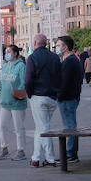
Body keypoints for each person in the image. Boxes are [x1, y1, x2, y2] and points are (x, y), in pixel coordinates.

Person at [23, 34, 62, 168]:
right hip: (52, 97)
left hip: (38, 96)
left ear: (35, 43)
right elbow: (59, 76)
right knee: (40, 127)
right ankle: (35, 158)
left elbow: (28, 80)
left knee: (43, 128)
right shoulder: (55, 57)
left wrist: (29, 93)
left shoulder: (32, 58)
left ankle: (50, 159)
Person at [0, 44, 29, 161]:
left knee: (18, 127)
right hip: (4, 102)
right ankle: (4, 148)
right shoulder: (5, 66)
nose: (7, 54)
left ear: (15, 53)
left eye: (9, 52)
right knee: (2, 126)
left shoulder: (21, 66)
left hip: (17, 102)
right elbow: (0, 81)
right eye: (6, 52)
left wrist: (17, 95)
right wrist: (1, 93)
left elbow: (24, 82)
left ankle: (21, 150)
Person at [56, 36, 85, 164]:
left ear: (65, 47)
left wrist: (59, 96)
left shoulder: (69, 62)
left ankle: (71, 154)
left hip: (68, 98)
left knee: (70, 126)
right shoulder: (73, 60)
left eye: (58, 45)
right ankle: (70, 153)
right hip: (71, 96)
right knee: (69, 125)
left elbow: (65, 83)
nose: (57, 48)